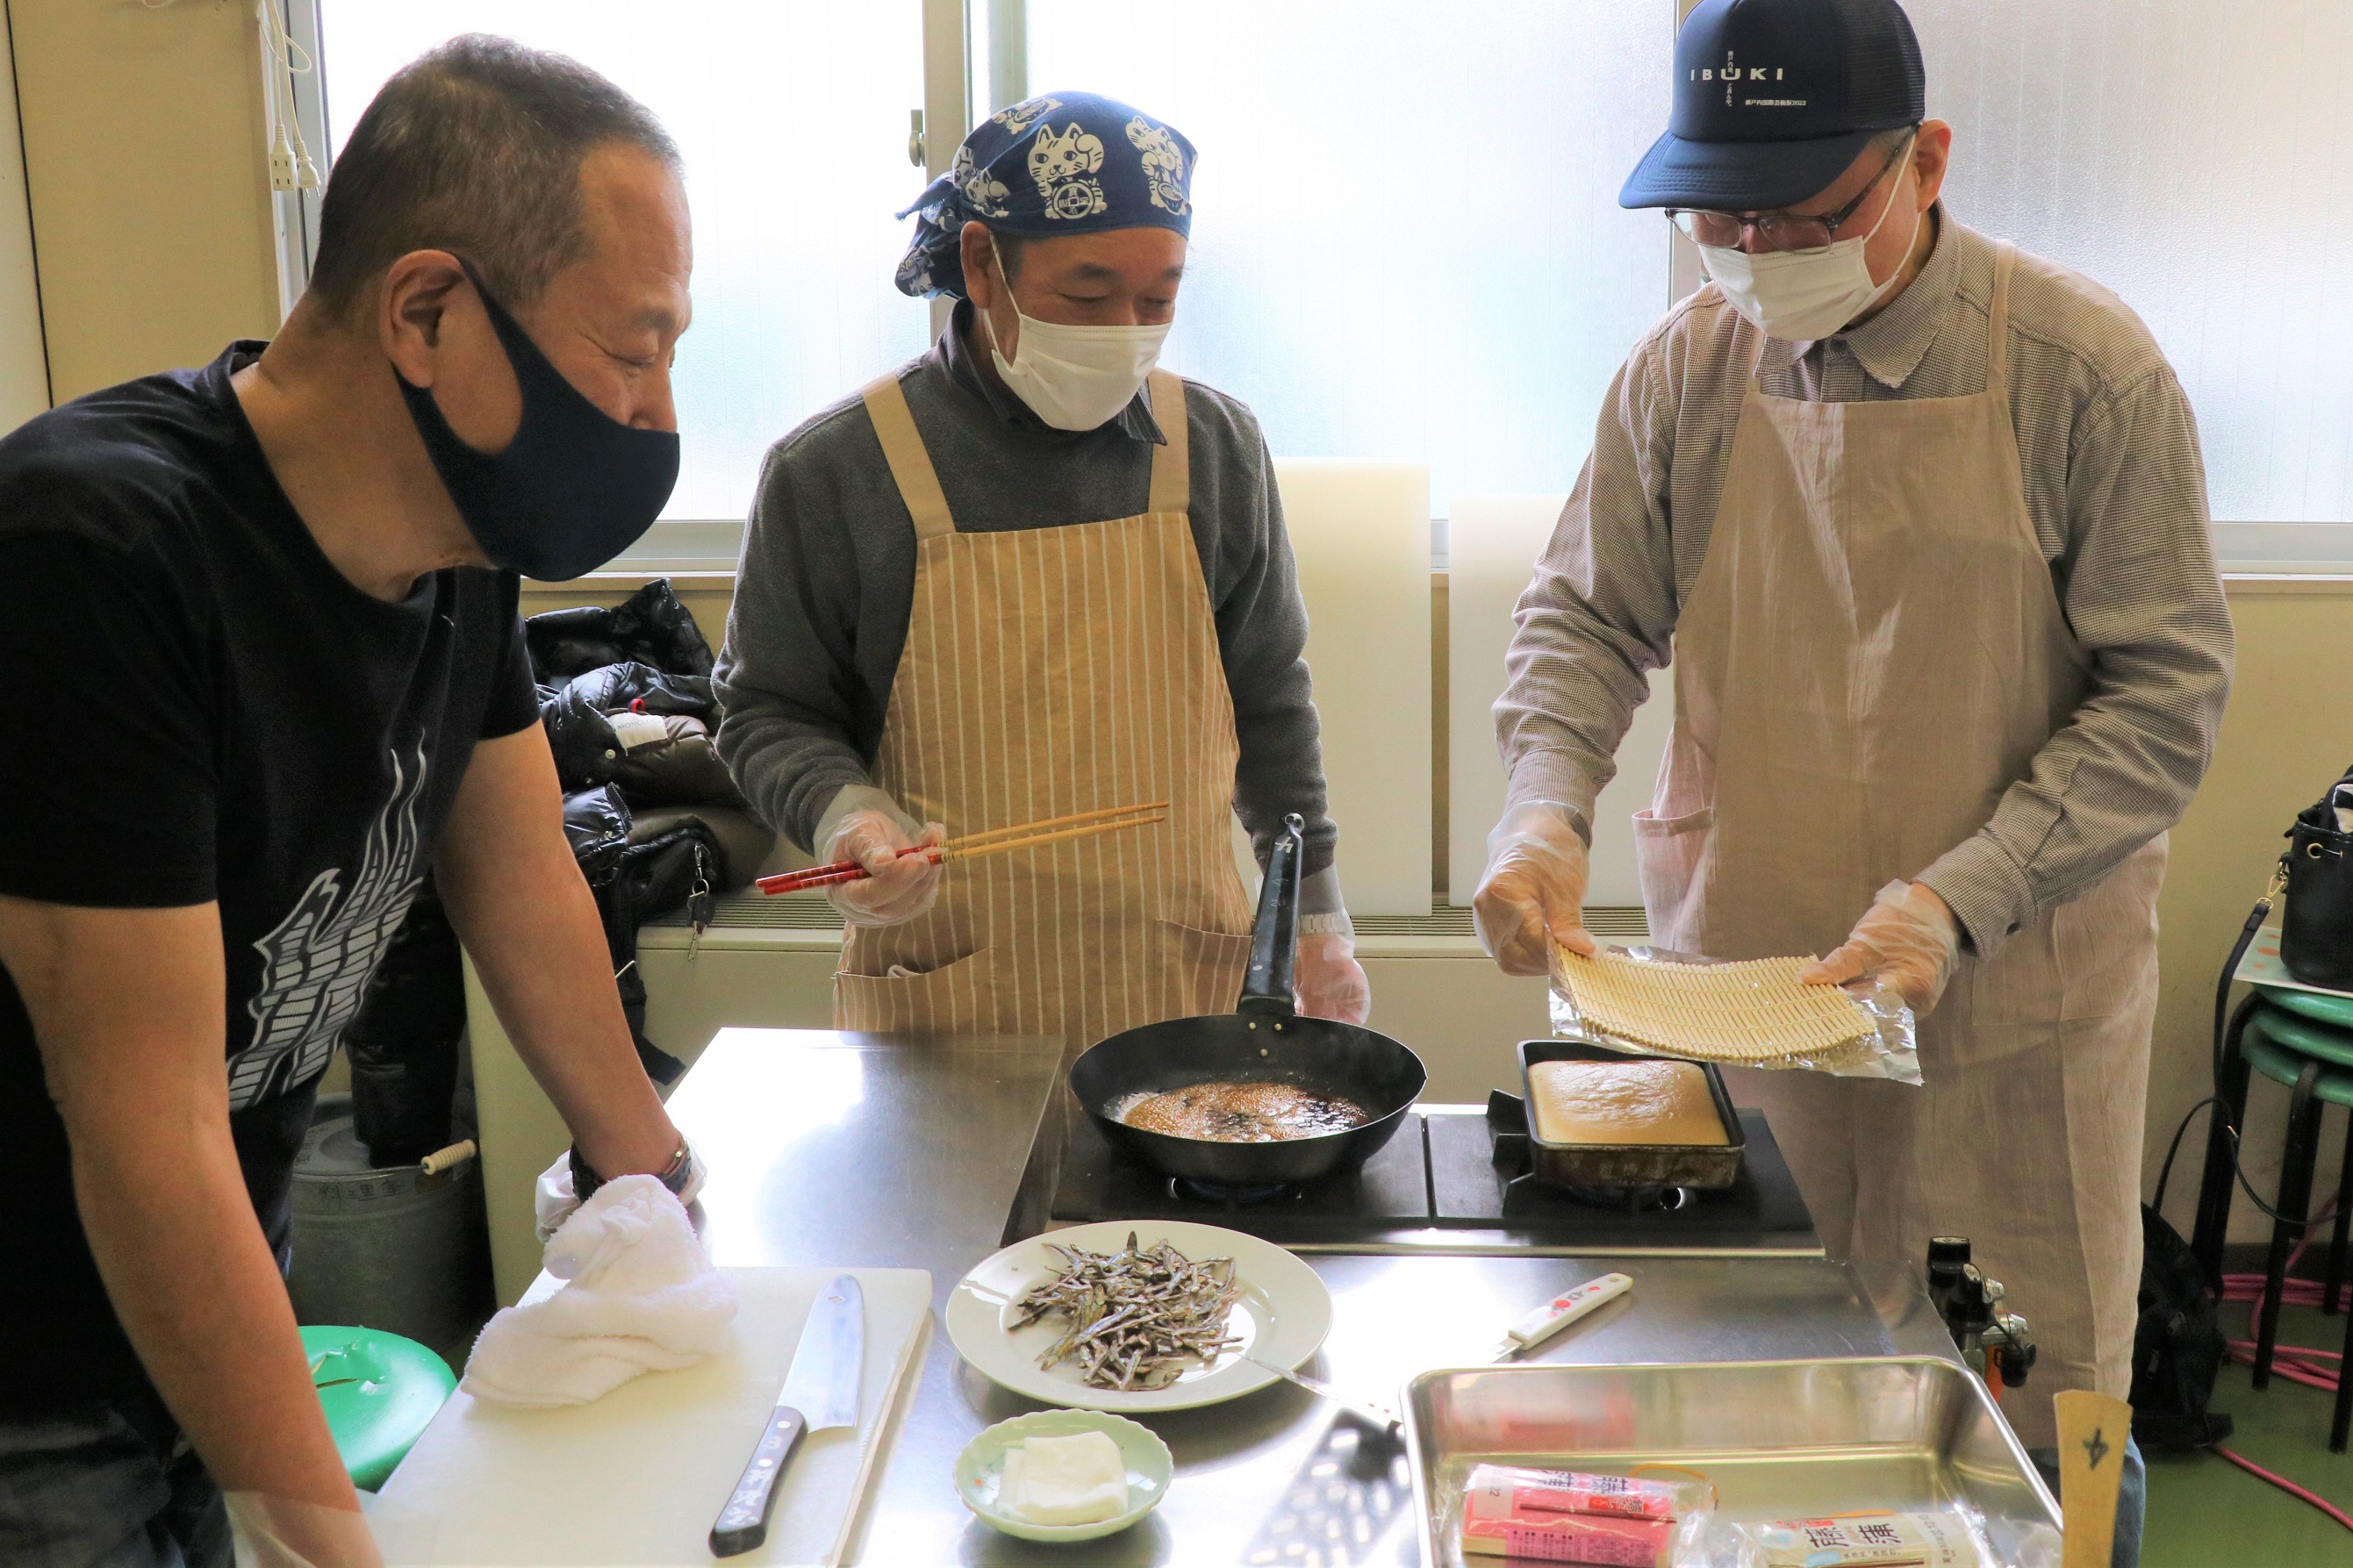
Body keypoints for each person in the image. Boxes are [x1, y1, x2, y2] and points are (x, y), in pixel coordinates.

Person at [1477, 0, 2230, 1552]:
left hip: (2017, 1005)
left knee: (2044, 1405)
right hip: (1756, 988)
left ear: (1925, 161)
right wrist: (1543, 810)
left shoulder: (2081, 370)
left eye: (1806, 214)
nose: (1755, 252)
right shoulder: (1685, 369)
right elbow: (1582, 617)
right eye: (1719, 215)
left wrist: (1957, 901)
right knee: (1765, 1384)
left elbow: (2165, 695)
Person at [0, 38, 699, 1566]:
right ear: (429, 312)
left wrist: (658, 1187)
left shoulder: (454, 549)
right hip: (33, 1361)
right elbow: (145, 1120)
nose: (656, 411)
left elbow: (521, 884)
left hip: (207, 1276)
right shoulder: (94, 551)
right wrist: (324, 1537)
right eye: (631, 349)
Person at [717, 93, 1367, 1051]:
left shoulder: (1215, 450)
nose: (1126, 331)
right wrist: (845, 814)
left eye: (1158, 299)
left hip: (1178, 989)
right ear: (982, 265)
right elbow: (766, 710)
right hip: (948, 1004)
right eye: (1088, 294)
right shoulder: (837, 470)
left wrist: (1312, 919)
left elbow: (1268, 699)